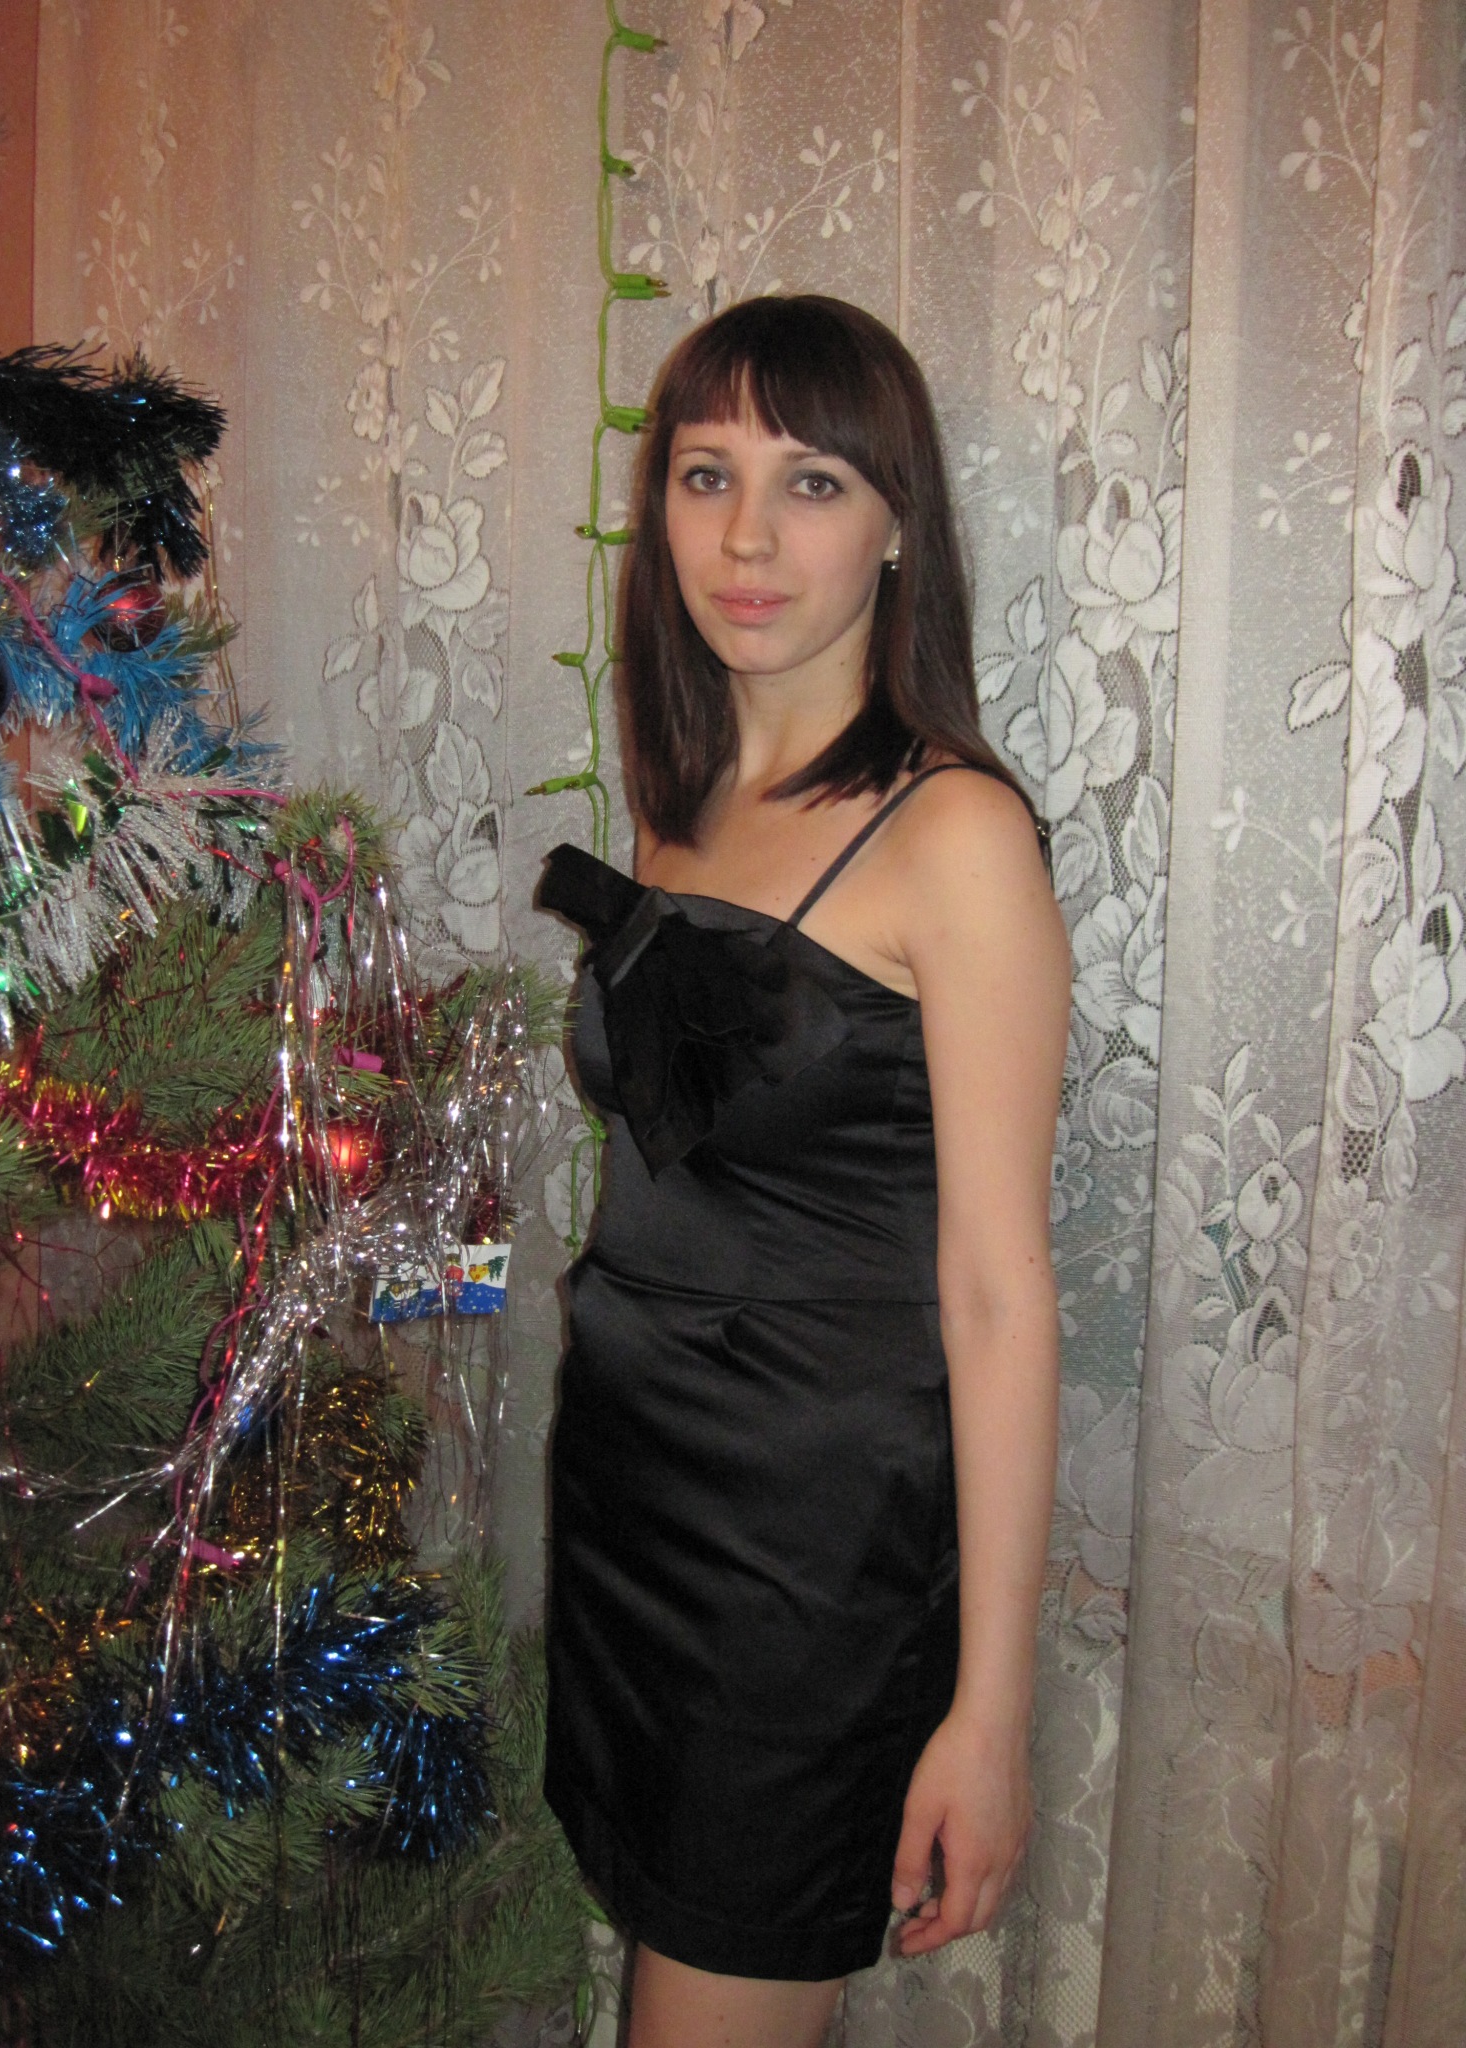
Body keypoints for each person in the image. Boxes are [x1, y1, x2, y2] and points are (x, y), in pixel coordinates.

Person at [539, 293, 1069, 2048]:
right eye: (707, 475)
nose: (747, 537)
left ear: (900, 524)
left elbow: (996, 1298)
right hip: (634, 1511)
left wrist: (988, 1715)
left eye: (813, 482)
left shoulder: (955, 832)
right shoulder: (679, 796)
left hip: (805, 1568)